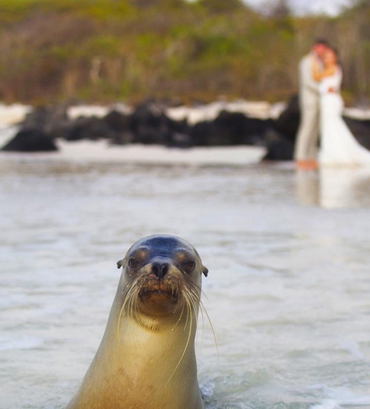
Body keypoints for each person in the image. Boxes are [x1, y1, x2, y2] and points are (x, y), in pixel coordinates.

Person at [313, 47, 370, 167]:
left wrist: (314, 62)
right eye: (325, 56)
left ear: (335, 57)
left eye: (329, 56)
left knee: (333, 127)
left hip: (331, 102)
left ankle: (338, 155)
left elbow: (317, 77)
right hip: (327, 102)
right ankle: (331, 153)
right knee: (330, 128)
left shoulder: (333, 68)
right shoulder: (328, 69)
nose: (326, 58)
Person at [294, 39, 329, 170]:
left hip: (321, 100)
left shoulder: (323, 61)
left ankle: (311, 157)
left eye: (323, 48)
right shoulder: (306, 61)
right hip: (309, 100)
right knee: (306, 128)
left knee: (315, 130)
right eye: (319, 48)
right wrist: (323, 89)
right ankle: (300, 157)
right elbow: (307, 82)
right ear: (314, 47)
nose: (321, 51)